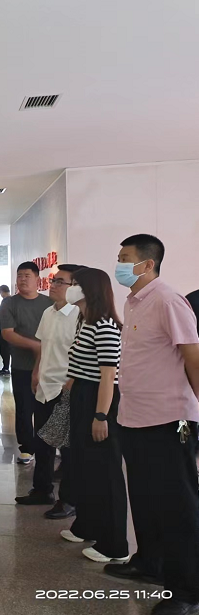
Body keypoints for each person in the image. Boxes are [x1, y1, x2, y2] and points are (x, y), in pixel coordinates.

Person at [106, 234, 199, 615]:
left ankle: (187, 590)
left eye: (125, 258)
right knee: (144, 500)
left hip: (168, 420)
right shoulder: (134, 303)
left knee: (177, 507)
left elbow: (193, 358)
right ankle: (150, 562)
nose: (120, 265)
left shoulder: (167, 300)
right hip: (134, 418)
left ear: (147, 264)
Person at [60, 267, 129, 564]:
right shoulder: (84, 322)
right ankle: (86, 525)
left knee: (105, 472)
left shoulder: (105, 326)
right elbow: (79, 366)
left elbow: (109, 376)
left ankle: (114, 545)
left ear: (91, 290)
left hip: (98, 400)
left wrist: (101, 416)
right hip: (81, 396)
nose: (70, 288)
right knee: (84, 466)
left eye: (76, 283)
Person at [15, 264, 82, 519]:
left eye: (60, 282)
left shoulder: (79, 315)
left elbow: (83, 355)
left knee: (67, 449)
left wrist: (71, 383)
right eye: (53, 280)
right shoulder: (48, 312)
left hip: (65, 389)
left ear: (75, 288)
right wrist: (35, 372)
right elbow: (43, 346)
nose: (53, 285)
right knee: (42, 442)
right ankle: (42, 490)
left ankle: (69, 500)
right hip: (44, 386)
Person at [0, 263, 54, 464]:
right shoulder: (9, 304)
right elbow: (8, 334)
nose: (22, 279)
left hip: (49, 367)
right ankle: (26, 448)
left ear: (37, 279)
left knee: (47, 409)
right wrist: (36, 346)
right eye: (19, 275)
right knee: (24, 408)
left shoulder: (49, 303)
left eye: (27, 275)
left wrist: (44, 350)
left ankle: (47, 447)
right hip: (22, 366)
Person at [0, 285, 12, 377]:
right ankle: (7, 368)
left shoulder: (5, 300)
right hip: (11, 329)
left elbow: (4, 314)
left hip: (5, 329)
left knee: (4, 350)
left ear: (1, 291)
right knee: (8, 349)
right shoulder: (12, 300)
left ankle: (5, 368)